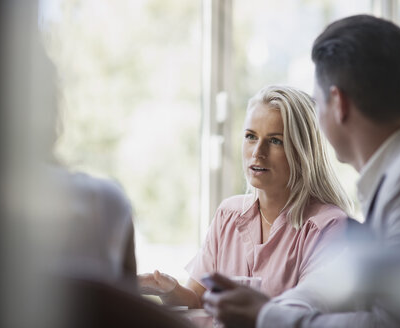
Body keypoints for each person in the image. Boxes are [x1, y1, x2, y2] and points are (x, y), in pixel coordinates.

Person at [202, 14, 400, 328]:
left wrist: (266, 316)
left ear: (338, 103)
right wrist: (270, 307)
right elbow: (334, 285)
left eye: (318, 100)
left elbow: (399, 323)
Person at [138, 85, 352, 308]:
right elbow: (197, 300)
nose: (258, 152)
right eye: (251, 136)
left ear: (302, 151)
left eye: (275, 140)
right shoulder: (228, 214)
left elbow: (305, 319)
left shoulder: (327, 226)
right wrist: (169, 290)